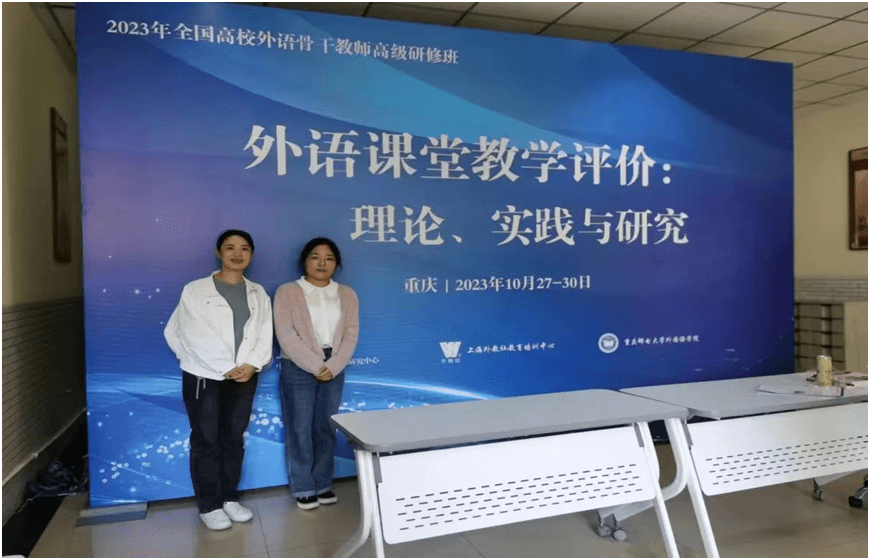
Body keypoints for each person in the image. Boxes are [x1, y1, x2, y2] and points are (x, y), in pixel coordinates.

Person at [164, 230, 273, 530]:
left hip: (245, 376)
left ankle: (229, 498)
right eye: (230, 248)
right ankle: (209, 505)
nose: (237, 254)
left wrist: (252, 364)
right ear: (218, 252)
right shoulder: (195, 290)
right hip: (205, 376)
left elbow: (265, 332)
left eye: (244, 248)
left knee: (233, 438)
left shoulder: (258, 292)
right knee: (206, 439)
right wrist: (225, 366)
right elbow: (190, 333)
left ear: (251, 254)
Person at [274, 237, 359, 510]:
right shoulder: (288, 291)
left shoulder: (347, 294)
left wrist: (332, 366)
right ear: (304, 261)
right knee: (300, 428)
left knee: (325, 427)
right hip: (298, 364)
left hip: (334, 364)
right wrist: (315, 365)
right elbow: (285, 333)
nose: (322, 263)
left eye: (329, 258)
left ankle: (323, 484)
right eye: (315, 257)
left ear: (337, 264)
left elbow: (351, 334)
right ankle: (303, 486)